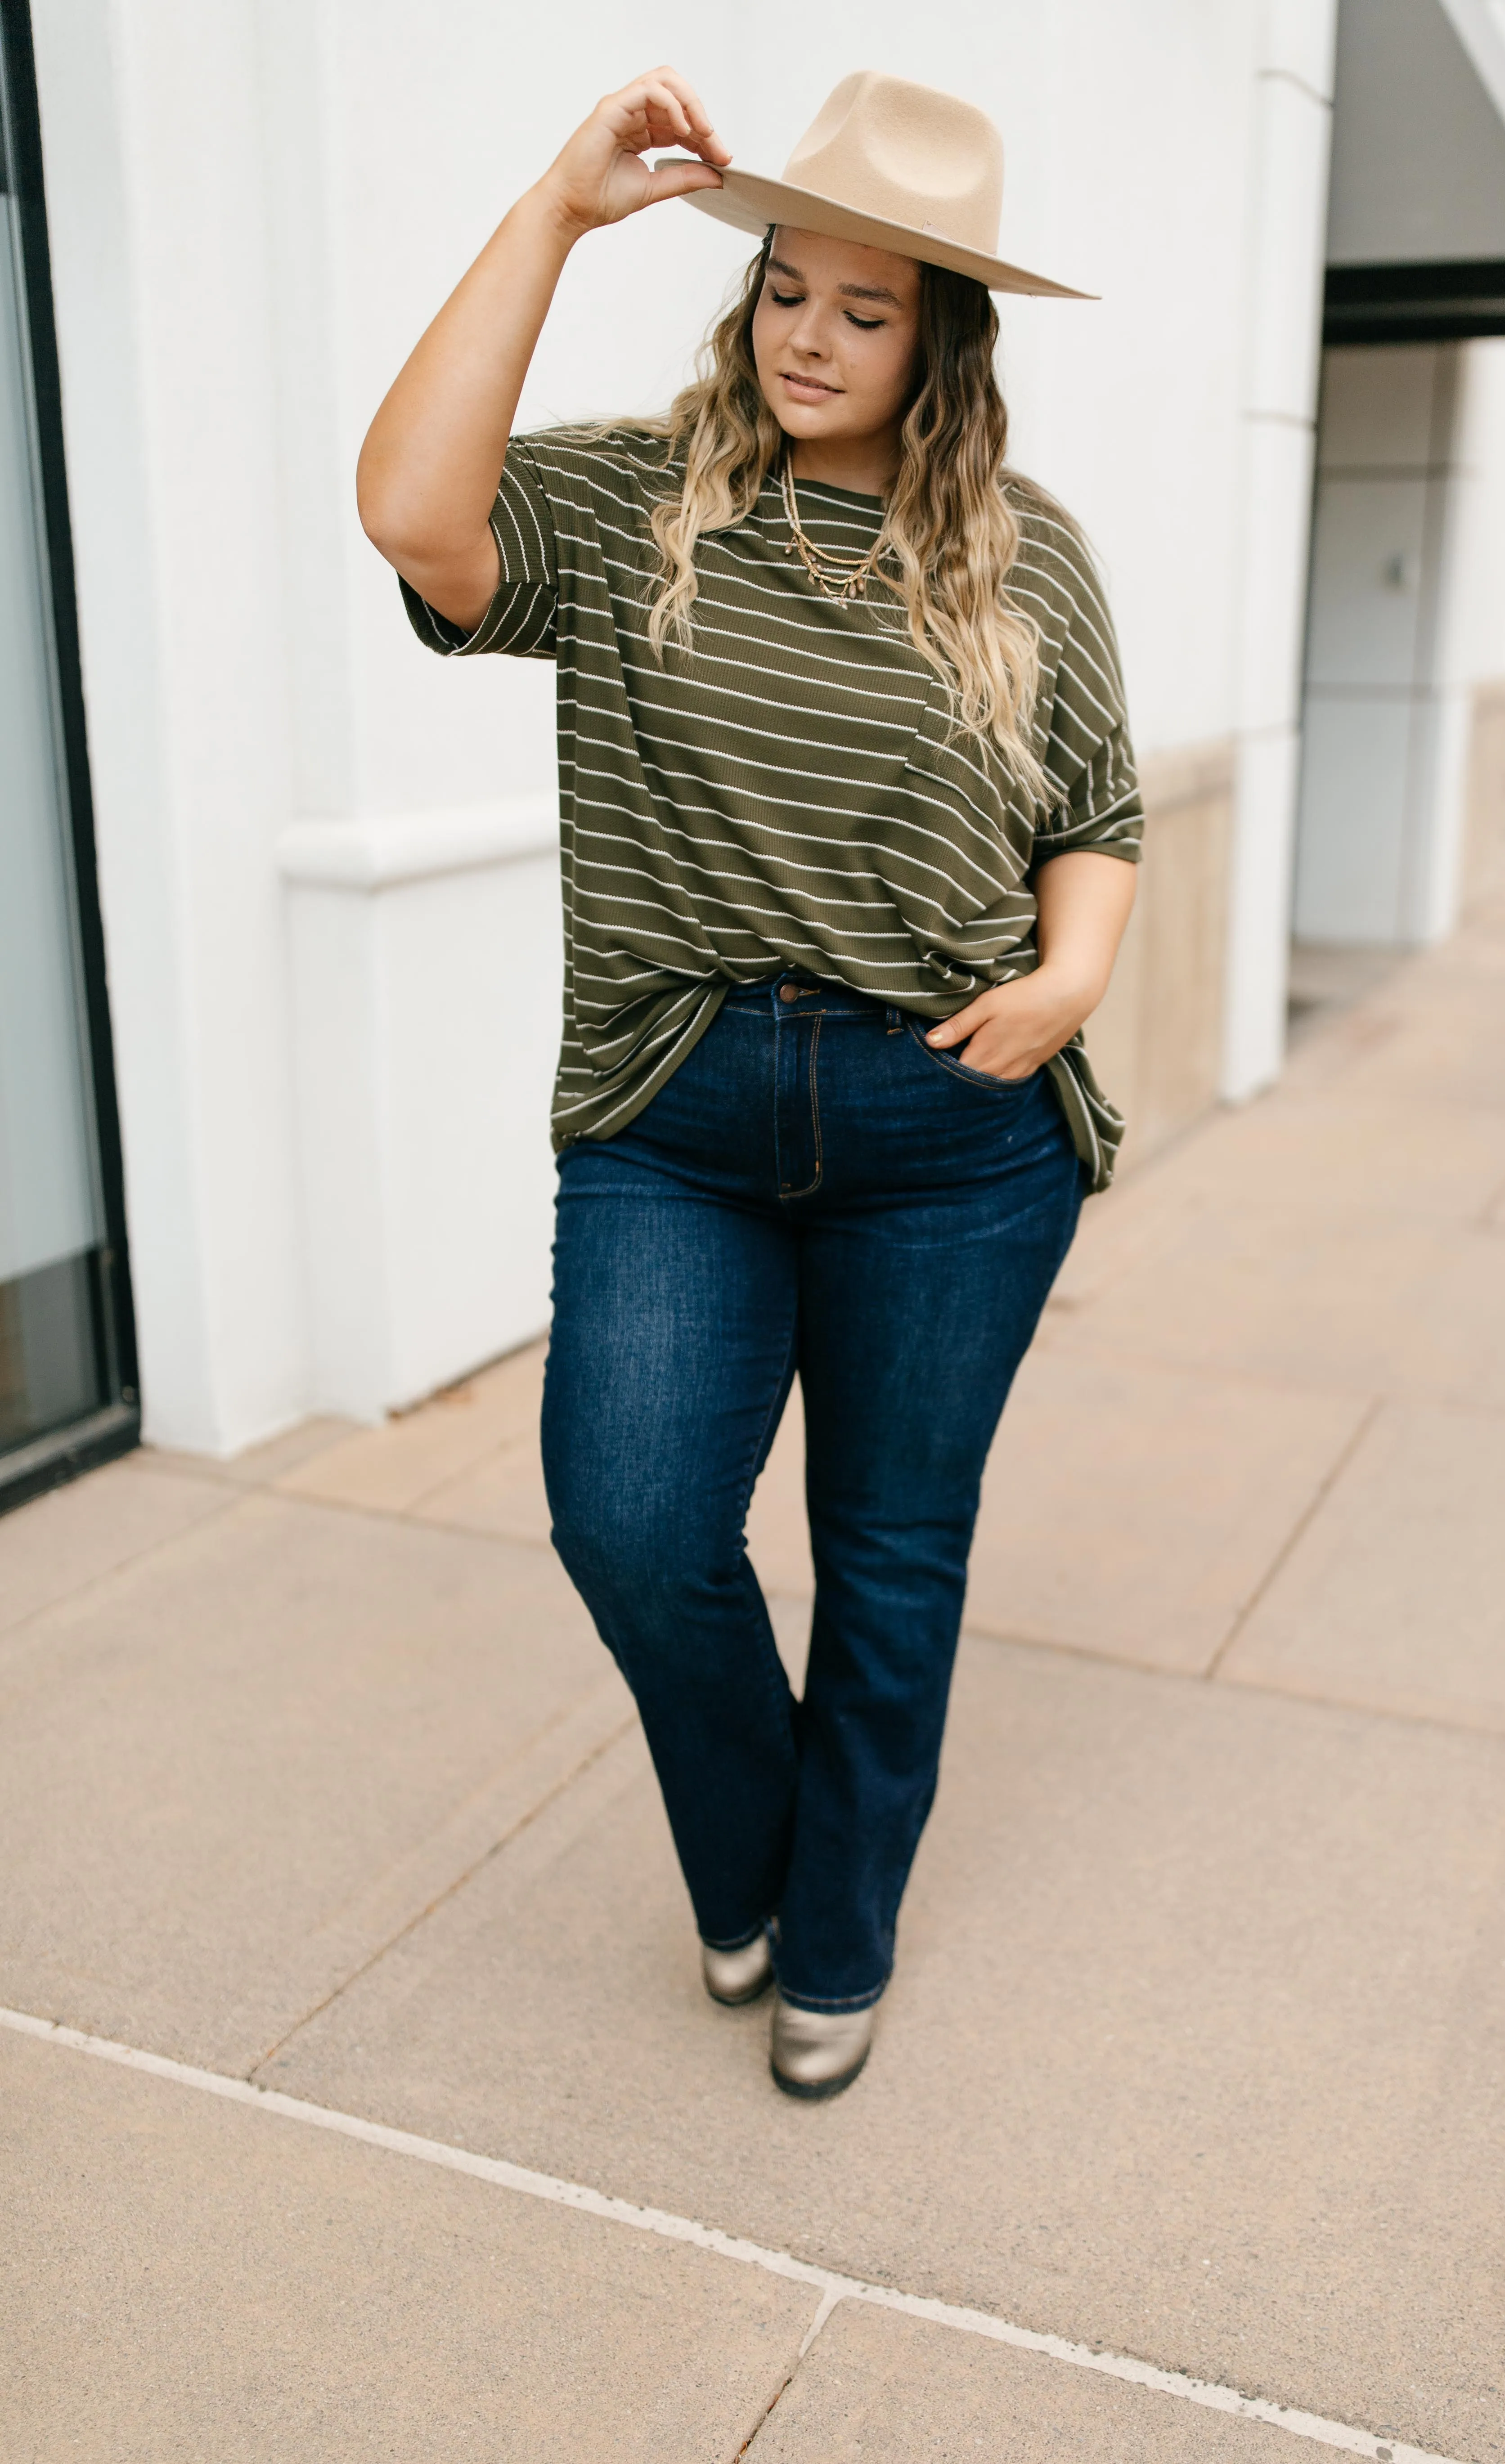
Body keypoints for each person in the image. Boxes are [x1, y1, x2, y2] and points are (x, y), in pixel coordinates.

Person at [357, 66, 1143, 2099]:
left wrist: (1070, 977)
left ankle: (840, 1936)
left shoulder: (1028, 560)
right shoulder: (638, 506)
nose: (807, 334)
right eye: (786, 289)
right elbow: (413, 514)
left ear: (940, 338)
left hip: (951, 1133)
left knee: (891, 1550)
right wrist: (552, 207)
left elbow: (1099, 811)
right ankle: (757, 1863)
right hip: (676, 1114)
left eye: (864, 308)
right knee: (632, 1524)